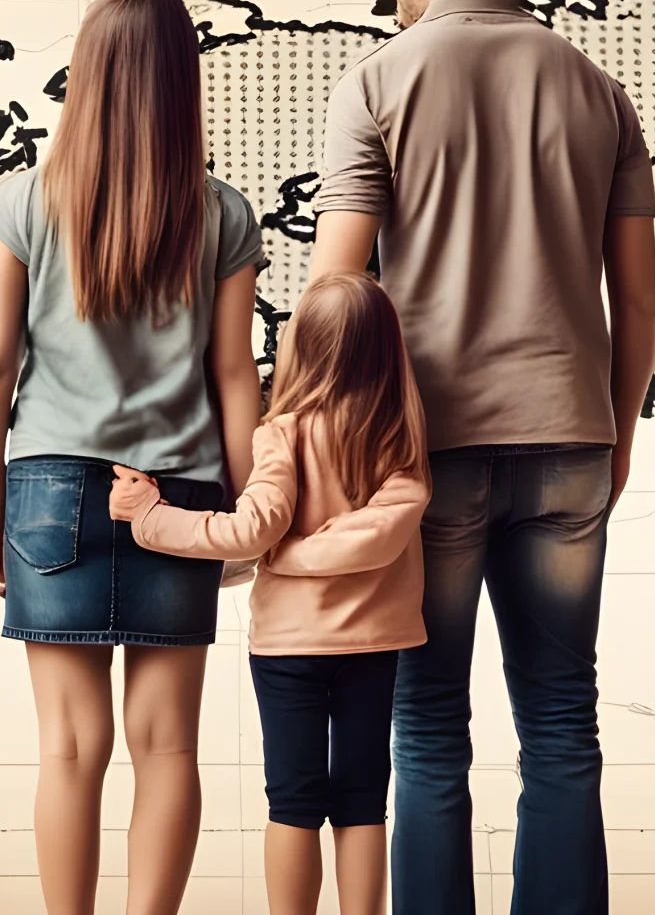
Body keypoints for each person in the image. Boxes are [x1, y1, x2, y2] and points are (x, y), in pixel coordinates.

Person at [310, 0, 655, 915]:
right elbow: (635, 304)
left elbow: (336, 293)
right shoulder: (597, 89)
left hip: (427, 454)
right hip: (570, 442)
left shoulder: (375, 83)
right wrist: (615, 434)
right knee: (560, 720)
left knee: (425, 725)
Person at [0, 0, 265, 915]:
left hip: (48, 487)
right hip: (178, 494)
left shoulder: (21, 202)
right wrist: (250, 511)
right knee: (168, 743)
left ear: (85, 75)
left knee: (67, 746)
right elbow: (232, 375)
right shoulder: (223, 213)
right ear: (185, 80)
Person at [106, 272, 429, 915]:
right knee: (364, 800)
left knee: (294, 799)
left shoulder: (280, 433)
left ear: (300, 349)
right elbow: (379, 536)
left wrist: (151, 516)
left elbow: (254, 531)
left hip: (287, 648)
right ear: (388, 347)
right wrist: (314, 547)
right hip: (377, 643)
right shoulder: (402, 436)